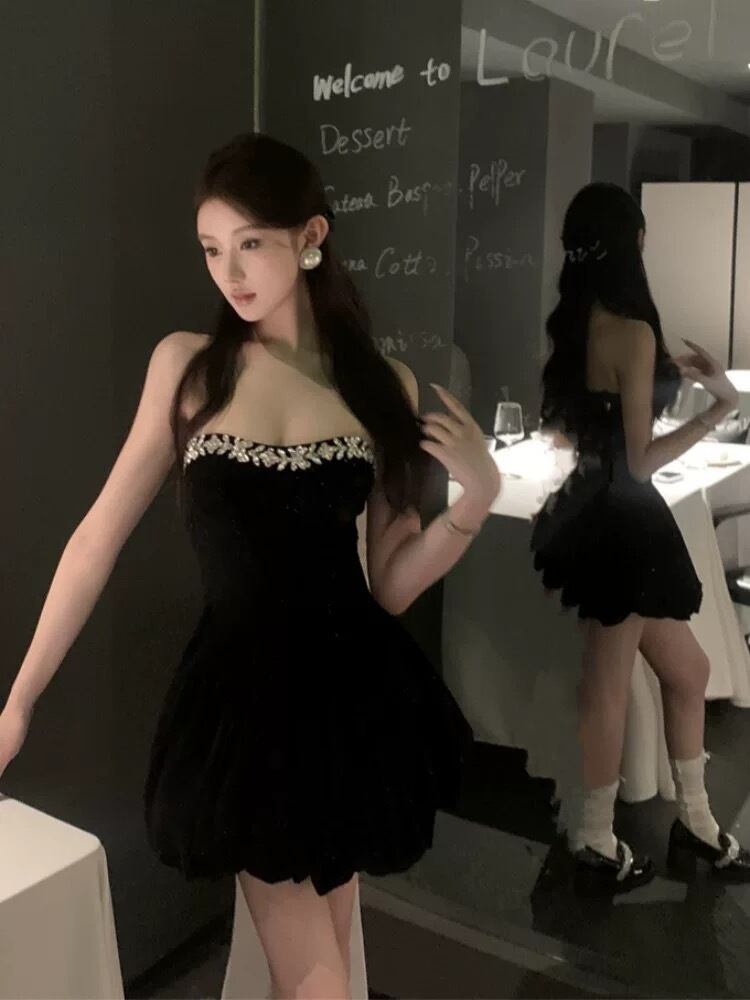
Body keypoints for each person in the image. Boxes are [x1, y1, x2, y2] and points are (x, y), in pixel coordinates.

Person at [0, 132, 501, 998]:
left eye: (251, 244)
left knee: (326, 965)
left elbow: (389, 583)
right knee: (320, 981)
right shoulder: (188, 368)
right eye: (211, 249)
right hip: (246, 705)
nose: (229, 272)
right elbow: (96, 539)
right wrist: (19, 698)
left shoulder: (382, 384)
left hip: (350, 693)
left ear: (311, 237)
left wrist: (475, 501)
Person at [530, 182, 750, 895]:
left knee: (688, 672)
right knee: (608, 684)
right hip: (621, 523)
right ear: (632, 246)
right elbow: (643, 459)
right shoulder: (631, 331)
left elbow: (577, 433)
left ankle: (695, 823)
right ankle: (596, 839)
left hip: (598, 510)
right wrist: (719, 409)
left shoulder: (576, 327)